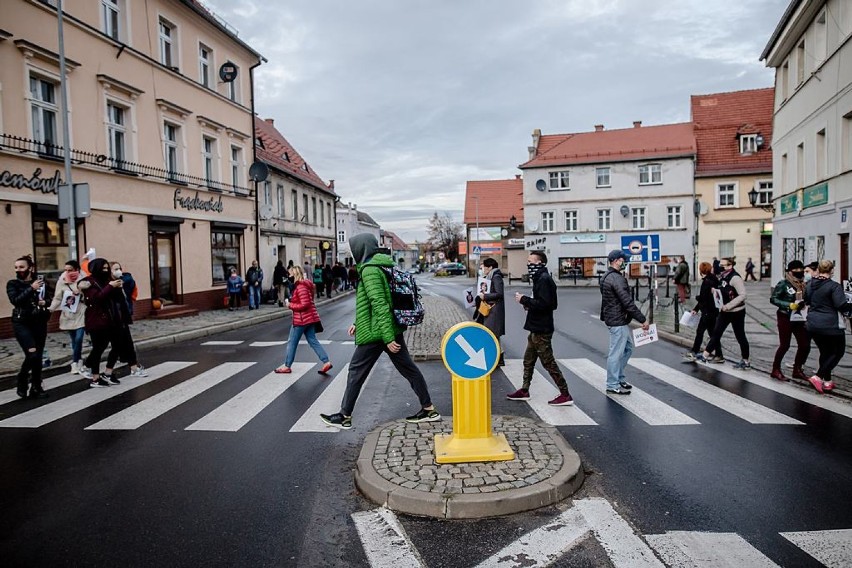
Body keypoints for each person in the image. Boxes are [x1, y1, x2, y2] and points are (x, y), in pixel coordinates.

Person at [320, 233, 440, 429]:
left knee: (356, 370)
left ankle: (344, 415)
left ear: (362, 249)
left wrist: (387, 337)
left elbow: (380, 304)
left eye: (354, 248)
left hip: (378, 332)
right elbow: (370, 301)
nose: (353, 251)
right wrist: (358, 322)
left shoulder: (370, 270)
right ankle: (428, 409)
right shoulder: (382, 265)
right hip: (387, 327)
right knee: (408, 368)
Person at [506, 251, 574, 405]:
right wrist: (528, 304)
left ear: (539, 263)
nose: (528, 264)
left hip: (542, 329)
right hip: (535, 327)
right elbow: (544, 303)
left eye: (530, 262)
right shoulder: (540, 278)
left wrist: (524, 299)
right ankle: (524, 390)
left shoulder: (544, 280)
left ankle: (565, 394)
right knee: (528, 360)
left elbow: (547, 304)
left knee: (548, 362)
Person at [598, 249, 649, 395]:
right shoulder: (616, 279)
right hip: (617, 321)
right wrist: (642, 319)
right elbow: (627, 302)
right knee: (615, 353)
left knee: (627, 349)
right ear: (616, 261)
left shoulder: (607, 276)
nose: (624, 262)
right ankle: (612, 384)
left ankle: (619, 377)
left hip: (614, 318)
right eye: (622, 260)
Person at [78, 258, 131, 387]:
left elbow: (118, 299)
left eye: (107, 268)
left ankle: (108, 372)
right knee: (98, 348)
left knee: (117, 345)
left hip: (113, 318)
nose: (105, 271)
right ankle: (95, 378)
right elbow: (97, 298)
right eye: (103, 268)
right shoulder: (89, 282)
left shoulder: (109, 280)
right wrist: (110, 287)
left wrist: (118, 287)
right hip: (97, 320)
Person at [7, 254, 51, 398]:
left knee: (37, 356)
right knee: (32, 354)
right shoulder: (13, 284)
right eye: (16, 267)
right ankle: (22, 379)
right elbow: (16, 301)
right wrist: (31, 289)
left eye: (21, 267)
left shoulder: (41, 282)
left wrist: (46, 302)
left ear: (30, 268)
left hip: (39, 321)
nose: (18, 270)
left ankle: (36, 387)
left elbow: (50, 297)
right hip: (21, 322)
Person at [275, 265, 332, 374]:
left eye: (290, 274)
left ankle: (287, 366)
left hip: (301, 319)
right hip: (309, 318)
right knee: (312, 340)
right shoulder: (304, 285)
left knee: (292, 342)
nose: (289, 276)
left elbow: (304, 304)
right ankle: (326, 362)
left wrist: (290, 305)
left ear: (295, 274)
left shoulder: (301, 287)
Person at [803, 259, 849, 393]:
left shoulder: (810, 284)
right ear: (832, 270)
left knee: (825, 352)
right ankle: (818, 376)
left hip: (812, 324)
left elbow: (806, 300)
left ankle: (827, 381)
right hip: (831, 325)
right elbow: (840, 304)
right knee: (837, 352)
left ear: (818, 270)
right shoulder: (834, 286)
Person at [697, 258, 750, 368]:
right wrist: (716, 292)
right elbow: (723, 290)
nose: (719, 267)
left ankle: (745, 360)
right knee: (716, 333)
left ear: (730, 266)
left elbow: (742, 295)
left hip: (737, 311)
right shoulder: (722, 276)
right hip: (724, 311)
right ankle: (705, 355)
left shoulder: (735, 278)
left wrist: (728, 306)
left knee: (740, 336)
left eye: (723, 265)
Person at [769, 260, 810, 381]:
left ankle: (797, 369)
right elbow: (773, 299)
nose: (799, 272)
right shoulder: (784, 284)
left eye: (801, 270)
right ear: (790, 272)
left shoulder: (804, 284)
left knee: (804, 345)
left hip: (800, 318)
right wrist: (789, 304)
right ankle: (775, 369)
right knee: (785, 345)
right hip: (785, 316)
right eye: (796, 270)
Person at [48, 260, 87, 376]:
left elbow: (90, 296)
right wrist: (51, 309)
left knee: (79, 338)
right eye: (66, 270)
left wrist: (80, 292)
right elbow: (57, 298)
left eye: (70, 270)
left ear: (77, 270)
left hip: (81, 312)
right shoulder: (62, 281)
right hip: (68, 313)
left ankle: (74, 363)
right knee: (74, 340)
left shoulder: (84, 281)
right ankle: (79, 360)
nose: (67, 272)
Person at [683, 262, 722, 362]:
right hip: (713, 311)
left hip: (707, 312)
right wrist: (696, 309)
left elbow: (704, 298)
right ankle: (719, 355)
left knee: (700, 332)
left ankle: (694, 351)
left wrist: (697, 301)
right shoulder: (713, 279)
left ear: (701, 271)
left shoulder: (707, 282)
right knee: (713, 334)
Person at [476, 258, 505, 366]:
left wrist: (485, 296)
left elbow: (499, 293)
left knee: (492, 334)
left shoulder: (496, 277)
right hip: (490, 309)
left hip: (494, 310)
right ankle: (498, 358)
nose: (482, 269)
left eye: (484, 267)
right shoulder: (490, 276)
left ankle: (497, 358)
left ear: (490, 267)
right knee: (492, 334)